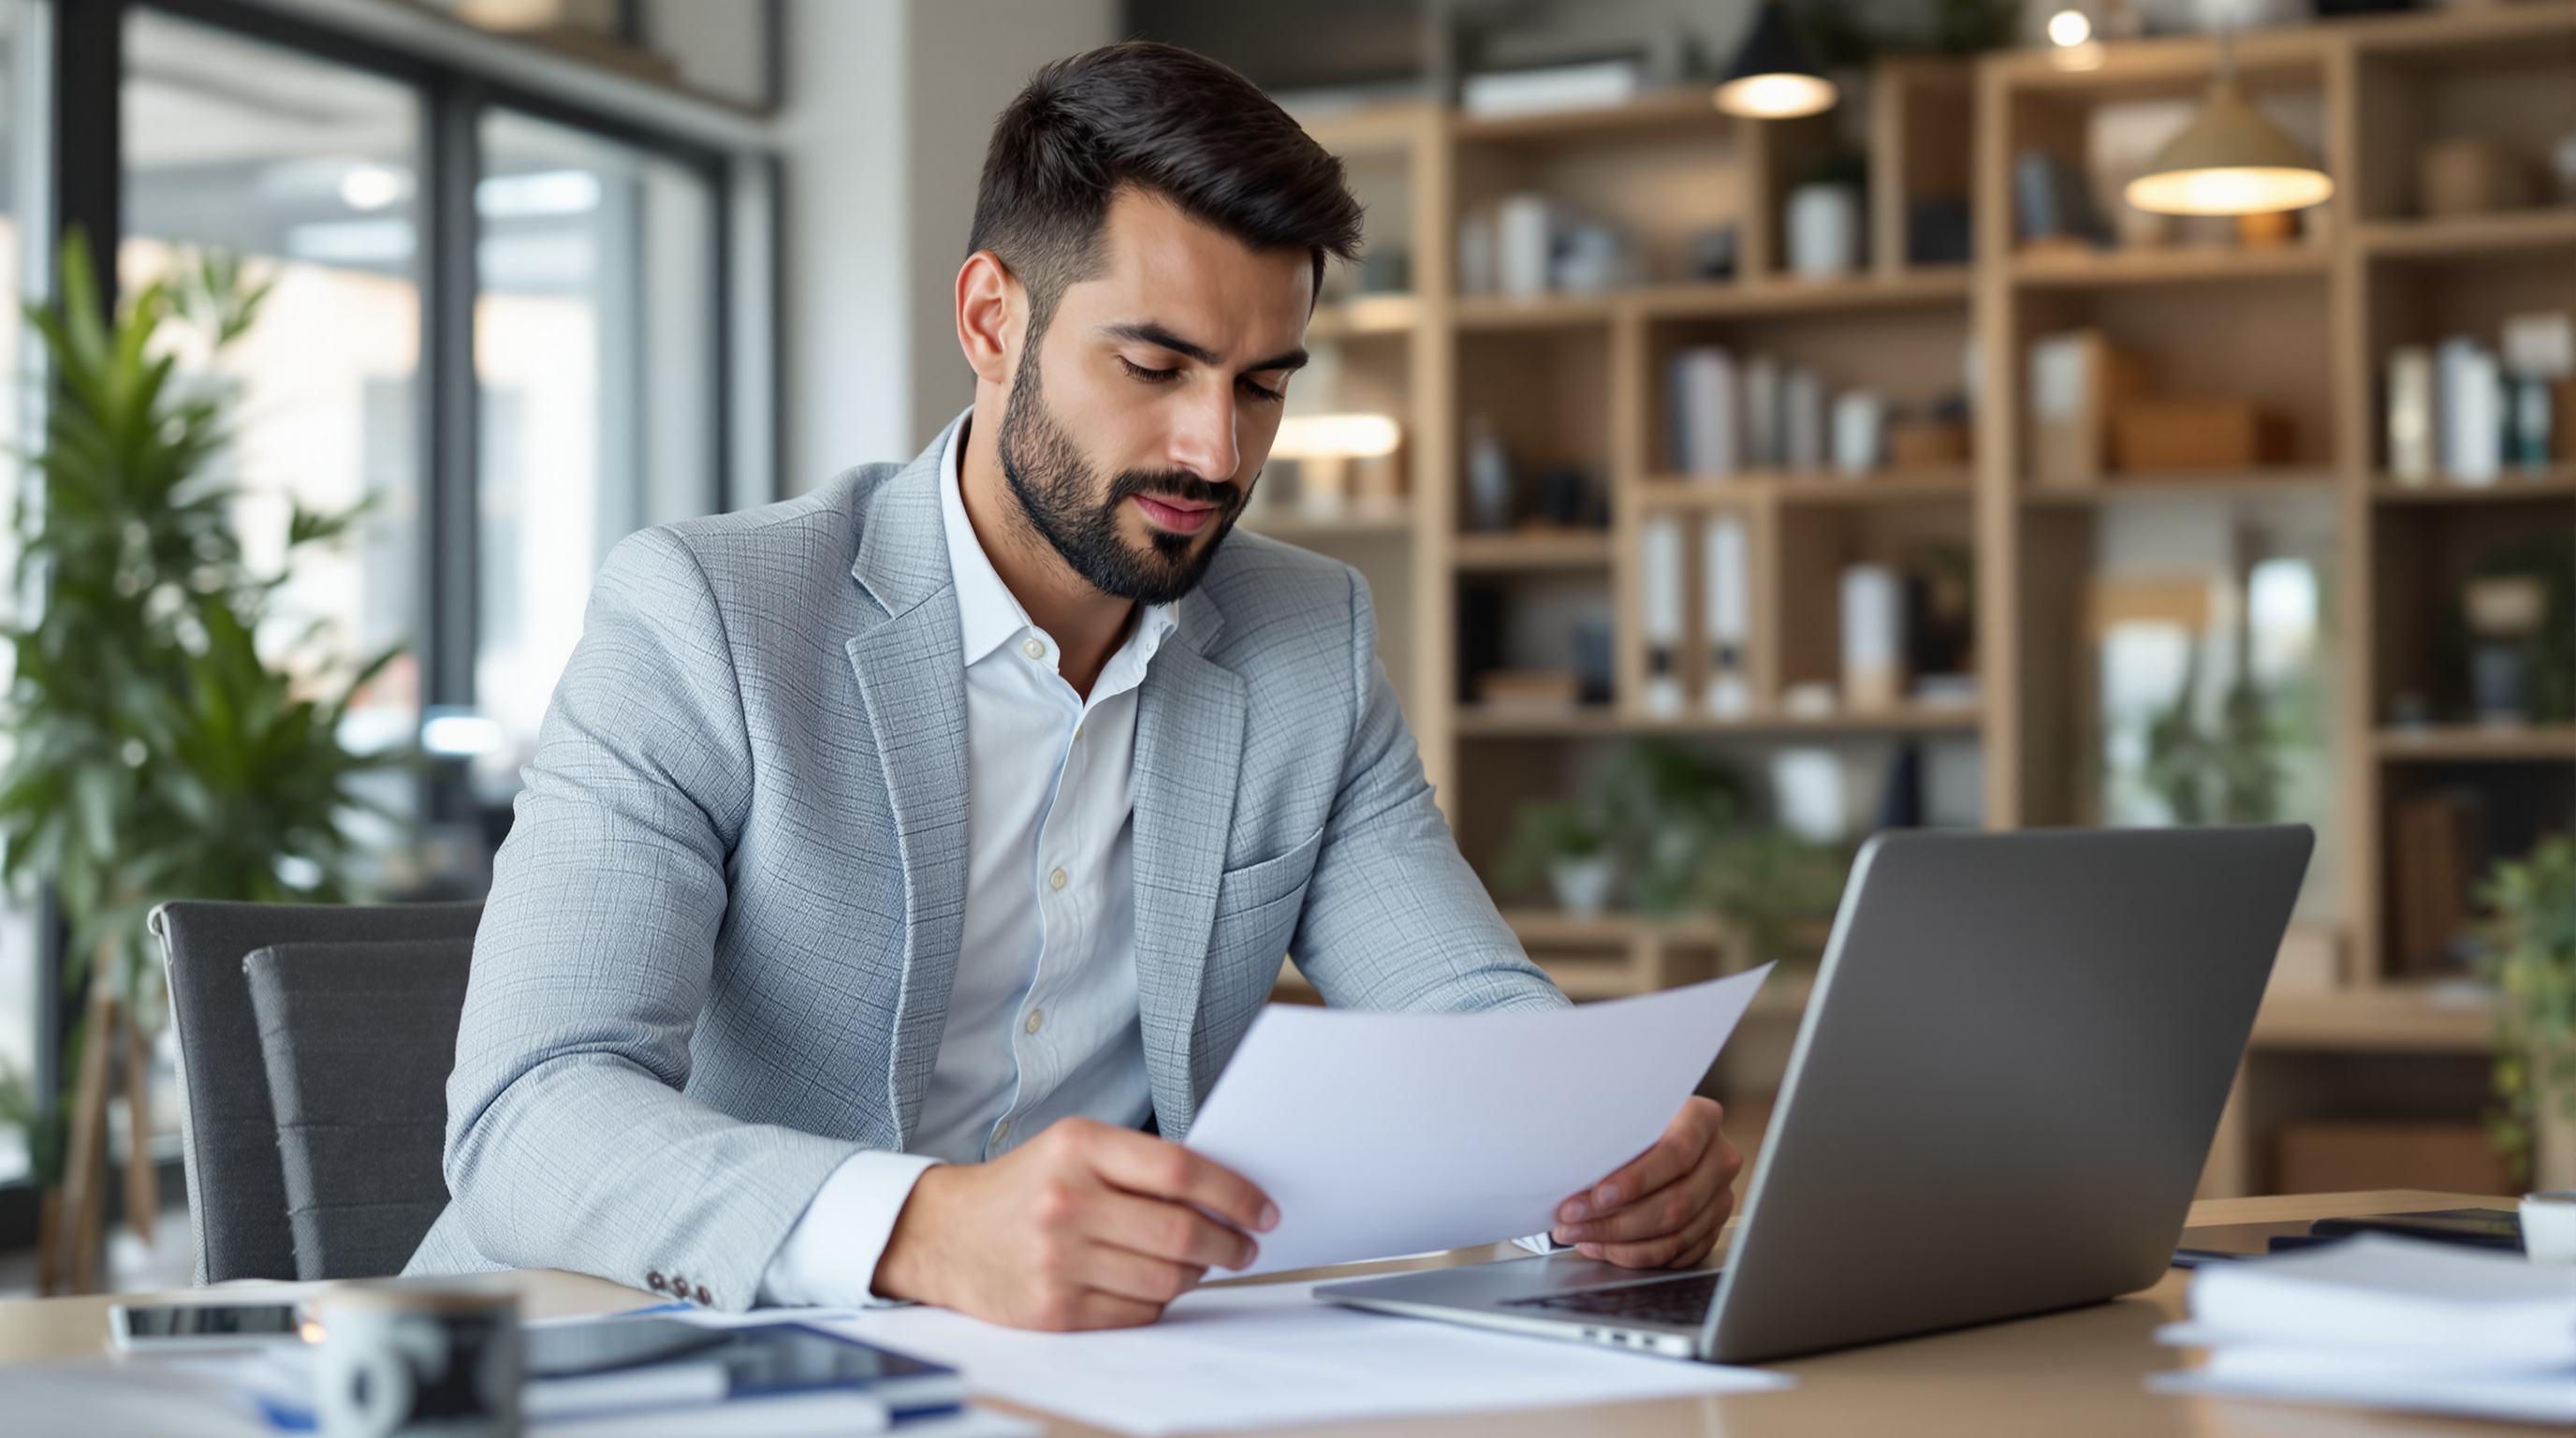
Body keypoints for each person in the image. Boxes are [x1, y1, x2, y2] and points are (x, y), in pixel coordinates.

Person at [406, 41, 1741, 1331]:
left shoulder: (1305, 637)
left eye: (1263, 386)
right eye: (1154, 368)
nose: (1215, 451)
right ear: (994, 319)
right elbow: (535, 1109)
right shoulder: (709, 617)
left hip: (1063, 1376)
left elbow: (1463, 1008)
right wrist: (926, 1230)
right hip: (616, 1350)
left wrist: (1599, 1152)